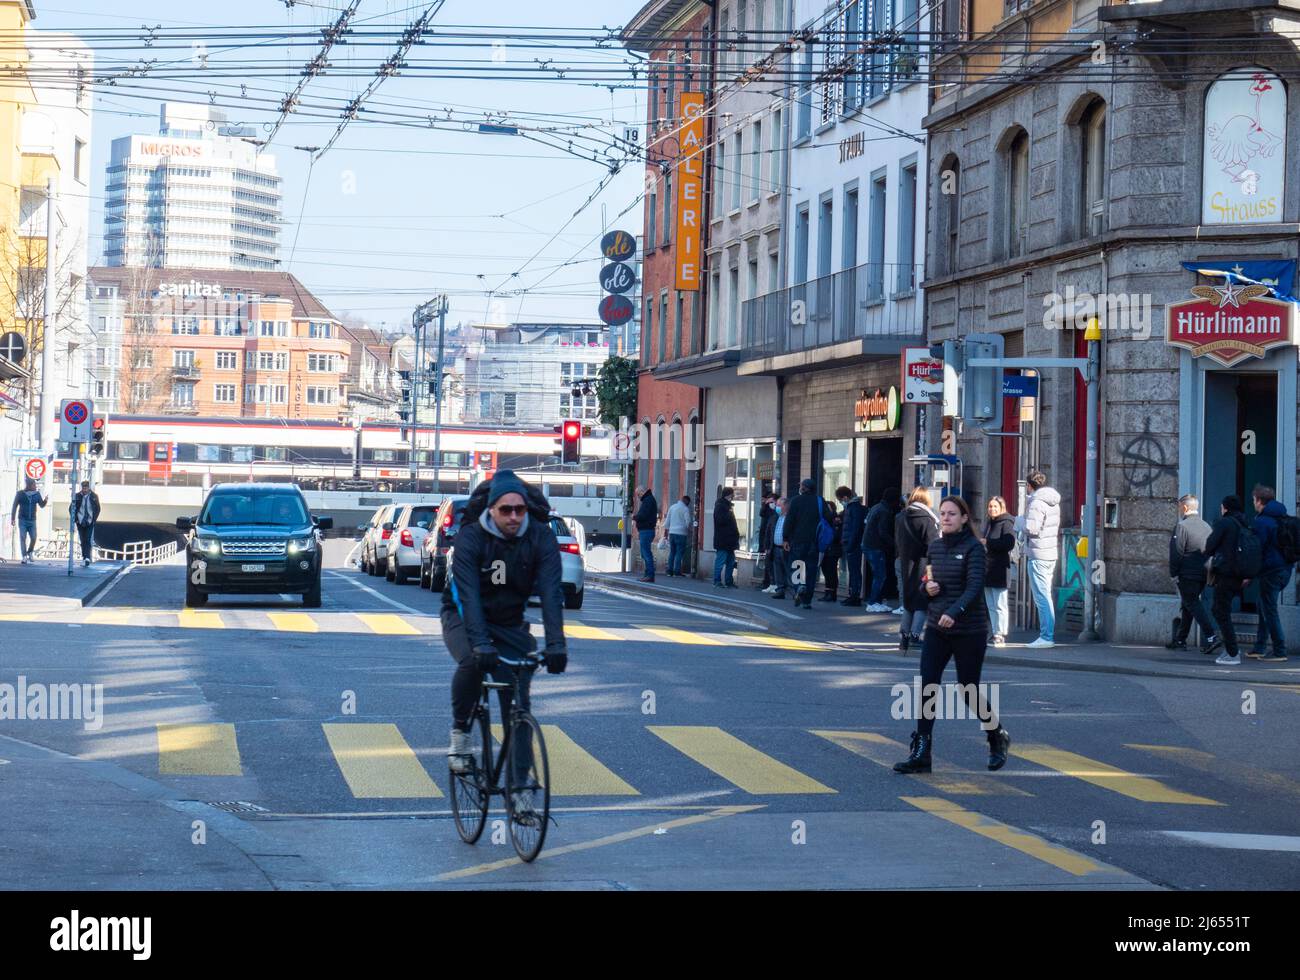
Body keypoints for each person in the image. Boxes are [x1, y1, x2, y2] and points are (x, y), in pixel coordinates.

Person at [443, 470, 568, 815]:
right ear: (492, 510)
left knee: (519, 708)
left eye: (520, 510)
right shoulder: (471, 538)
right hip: (463, 616)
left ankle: (519, 789)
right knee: (471, 660)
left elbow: (551, 593)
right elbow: (467, 596)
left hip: (511, 623)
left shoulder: (540, 539)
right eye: (506, 510)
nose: (514, 516)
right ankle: (460, 737)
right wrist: (481, 644)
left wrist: (557, 645)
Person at [894, 495, 1010, 774]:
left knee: (967, 689)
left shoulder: (974, 549)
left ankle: (996, 735)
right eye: (943, 513)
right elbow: (928, 583)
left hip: (969, 630)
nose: (945, 518)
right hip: (936, 628)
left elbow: (973, 588)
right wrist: (926, 590)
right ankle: (922, 752)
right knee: (927, 686)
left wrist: (954, 612)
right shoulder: (934, 548)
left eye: (952, 514)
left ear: (964, 518)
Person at [1166, 493, 1221, 655]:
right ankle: (1180, 639)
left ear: (1184, 507)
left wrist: (1173, 573)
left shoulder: (1182, 527)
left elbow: (1176, 553)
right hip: (1204, 572)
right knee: (1188, 604)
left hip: (1187, 573)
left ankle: (1211, 636)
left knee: (1192, 604)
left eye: (1179, 507)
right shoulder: (1206, 526)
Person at [1204, 495, 1251, 666]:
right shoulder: (1244, 523)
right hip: (1240, 575)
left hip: (1226, 574)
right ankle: (1231, 650)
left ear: (1225, 508)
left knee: (1220, 611)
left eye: (1222, 507)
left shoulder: (1225, 523)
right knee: (1222, 610)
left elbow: (1210, 545)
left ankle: (1232, 652)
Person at [1017, 470, 1061, 649]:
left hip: (1038, 553)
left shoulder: (1036, 502)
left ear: (1029, 485)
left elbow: (1032, 528)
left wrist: (1018, 521)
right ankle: (1047, 634)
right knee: (1045, 595)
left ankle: (1046, 636)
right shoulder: (1052, 501)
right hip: (1049, 552)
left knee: (1042, 597)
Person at [1247, 484, 1290, 662]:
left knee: (1269, 610)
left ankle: (1280, 650)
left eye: (1253, 500)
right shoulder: (1283, 517)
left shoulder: (1263, 521)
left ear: (1259, 500)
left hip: (1271, 571)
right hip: (1285, 570)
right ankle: (1259, 647)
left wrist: (1248, 573)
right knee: (1263, 605)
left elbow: (1258, 550)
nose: (1253, 504)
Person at [895, 487, 939, 652]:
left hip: (906, 562)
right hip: (924, 564)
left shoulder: (901, 517)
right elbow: (932, 545)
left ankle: (904, 637)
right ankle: (915, 635)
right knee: (922, 600)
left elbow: (897, 541)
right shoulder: (927, 518)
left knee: (908, 600)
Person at [981, 496, 1017, 647]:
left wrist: (988, 542)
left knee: (1000, 604)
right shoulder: (989, 523)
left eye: (995, 506)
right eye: (990, 506)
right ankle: (995, 632)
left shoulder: (1006, 522)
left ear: (1002, 507)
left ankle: (1000, 633)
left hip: (1000, 567)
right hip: (987, 568)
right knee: (990, 604)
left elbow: (1009, 543)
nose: (992, 509)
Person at [783, 478, 822, 610]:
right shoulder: (819, 501)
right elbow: (828, 518)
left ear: (804, 488)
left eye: (801, 486)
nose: (800, 487)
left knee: (796, 566)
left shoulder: (795, 501)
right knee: (811, 570)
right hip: (814, 542)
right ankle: (807, 601)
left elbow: (789, 520)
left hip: (798, 541)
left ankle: (799, 586)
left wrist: (785, 538)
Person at [863, 487, 898, 613]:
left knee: (878, 575)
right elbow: (883, 532)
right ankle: (873, 602)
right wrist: (895, 544)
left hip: (868, 544)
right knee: (880, 575)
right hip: (875, 546)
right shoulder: (885, 511)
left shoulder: (876, 507)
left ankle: (876, 601)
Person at [836, 486, 866, 607]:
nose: (840, 502)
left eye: (840, 500)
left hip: (853, 544)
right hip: (850, 543)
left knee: (854, 571)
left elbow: (856, 528)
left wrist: (851, 544)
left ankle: (855, 596)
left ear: (845, 497)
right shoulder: (851, 508)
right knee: (852, 571)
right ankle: (852, 595)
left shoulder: (854, 508)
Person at [10, 477, 48, 564]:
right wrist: (12, 518)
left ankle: (30, 551)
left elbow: (41, 505)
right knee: (22, 538)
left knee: (34, 537)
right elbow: (14, 506)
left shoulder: (37, 494)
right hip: (22, 520)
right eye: (34, 485)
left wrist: (45, 501)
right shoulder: (20, 494)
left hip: (32, 521)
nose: (35, 486)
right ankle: (24, 556)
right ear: (30, 485)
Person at [712, 487, 740, 588]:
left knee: (730, 562)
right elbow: (720, 521)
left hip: (729, 540)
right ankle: (717, 580)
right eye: (732, 494)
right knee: (720, 562)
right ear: (728, 495)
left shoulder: (726, 506)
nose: (733, 497)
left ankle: (729, 581)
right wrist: (729, 513)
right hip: (723, 540)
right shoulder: (720, 506)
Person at [72, 480, 101, 568]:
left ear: (89, 488)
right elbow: (71, 508)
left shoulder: (94, 496)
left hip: (89, 521)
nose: (84, 490)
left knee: (88, 539)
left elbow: (98, 509)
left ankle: (87, 558)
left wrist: (94, 519)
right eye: (83, 488)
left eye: (86, 488)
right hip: (80, 521)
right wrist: (76, 519)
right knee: (82, 540)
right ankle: (84, 557)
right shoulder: (77, 496)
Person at [632, 485, 659, 582]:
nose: (638, 497)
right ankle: (647, 574)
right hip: (647, 530)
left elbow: (643, 515)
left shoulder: (648, 500)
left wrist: (634, 517)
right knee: (645, 553)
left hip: (646, 530)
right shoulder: (649, 499)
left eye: (638, 494)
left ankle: (649, 575)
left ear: (642, 492)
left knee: (646, 553)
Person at [818, 498, 843, 601]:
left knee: (831, 572)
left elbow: (837, 535)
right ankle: (828, 592)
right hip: (826, 549)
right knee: (826, 571)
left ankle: (832, 593)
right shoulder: (825, 520)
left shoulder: (836, 520)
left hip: (833, 549)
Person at [765, 496, 789, 598]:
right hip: (775, 547)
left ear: (786, 506)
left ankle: (792, 590)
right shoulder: (776, 517)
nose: (777, 507)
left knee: (787, 569)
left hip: (785, 548)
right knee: (777, 570)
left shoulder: (789, 518)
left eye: (779, 505)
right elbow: (768, 532)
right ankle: (780, 590)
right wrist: (768, 546)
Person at [664, 494, 692, 577]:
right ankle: (677, 571)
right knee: (679, 552)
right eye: (688, 502)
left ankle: (669, 570)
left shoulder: (672, 507)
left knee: (672, 552)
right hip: (681, 533)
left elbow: (667, 521)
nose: (688, 504)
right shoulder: (685, 509)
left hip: (672, 533)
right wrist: (690, 531)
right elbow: (688, 522)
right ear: (686, 501)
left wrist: (666, 532)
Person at [757, 494, 777, 590]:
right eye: (769, 502)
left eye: (772, 502)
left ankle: (772, 583)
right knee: (768, 563)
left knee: (773, 564)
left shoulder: (776, 513)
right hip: (766, 540)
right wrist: (765, 504)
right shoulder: (767, 511)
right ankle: (766, 582)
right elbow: (761, 513)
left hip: (773, 542)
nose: (770, 504)